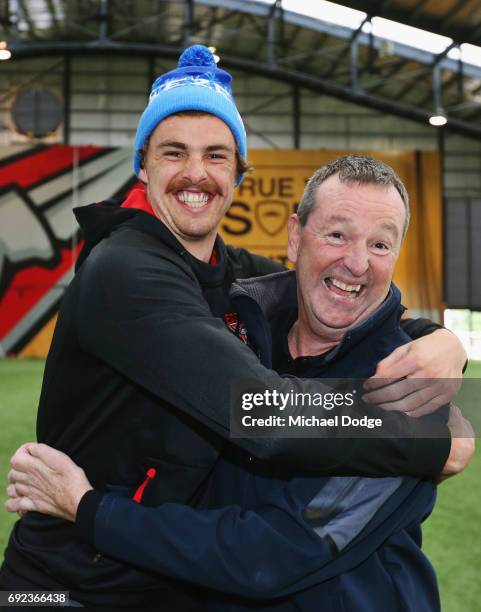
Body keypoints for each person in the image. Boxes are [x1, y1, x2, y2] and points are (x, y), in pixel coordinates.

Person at [0, 46, 470, 610]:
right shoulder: (127, 270)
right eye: (174, 152)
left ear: (238, 173)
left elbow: (330, 288)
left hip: (154, 583)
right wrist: (429, 436)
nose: (197, 173)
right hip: (61, 584)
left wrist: (442, 341)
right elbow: (261, 414)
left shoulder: (227, 271)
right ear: (142, 164)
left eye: (217, 155)